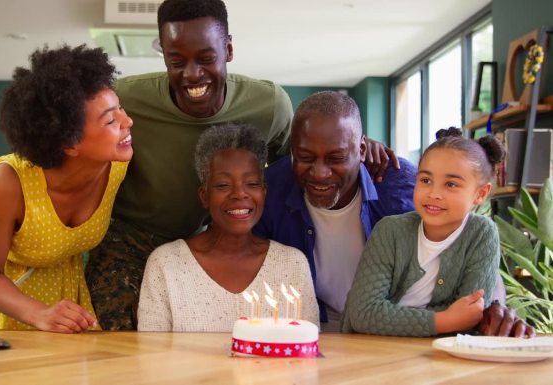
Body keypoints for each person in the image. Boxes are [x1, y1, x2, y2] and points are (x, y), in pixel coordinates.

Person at [85, 0, 394, 331]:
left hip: (206, 237)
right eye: (177, 61)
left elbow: (297, 162)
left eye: (206, 58)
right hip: (131, 238)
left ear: (228, 49)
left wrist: (357, 150)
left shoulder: (269, 105)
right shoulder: (127, 99)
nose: (192, 74)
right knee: (122, 341)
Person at [0, 45, 133, 332]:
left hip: (62, 302)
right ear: (69, 143)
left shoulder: (117, 165)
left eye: (121, 109)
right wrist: (38, 313)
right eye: (112, 120)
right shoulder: (5, 183)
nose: (128, 122)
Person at [254, 91, 417, 331]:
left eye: (336, 158)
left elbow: (453, 243)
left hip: (393, 325)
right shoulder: (270, 190)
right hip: (313, 326)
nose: (319, 173)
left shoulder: (401, 186)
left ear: (362, 150)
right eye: (305, 157)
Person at [138, 123, 318, 331]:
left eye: (252, 184)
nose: (240, 194)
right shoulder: (166, 264)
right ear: (204, 196)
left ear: (264, 192)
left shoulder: (293, 265)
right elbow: (152, 356)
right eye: (223, 185)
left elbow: (307, 351)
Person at [340, 128, 505, 336]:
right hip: (368, 351)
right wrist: (445, 320)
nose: (434, 194)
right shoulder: (389, 230)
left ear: (480, 194)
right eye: (425, 180)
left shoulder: (482, 235)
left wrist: (391, 316)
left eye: (451, 184)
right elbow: (363, 314)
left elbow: (470, 317)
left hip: (439, 356)